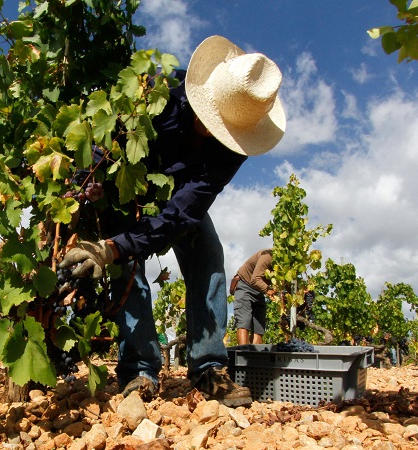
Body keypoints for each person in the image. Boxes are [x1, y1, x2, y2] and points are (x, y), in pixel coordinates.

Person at [59, 35, 286, 407]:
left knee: (208, 257)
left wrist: (114, 247)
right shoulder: (158, 92)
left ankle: (208, 367)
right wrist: (84, 186)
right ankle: (140, 371)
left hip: (177, 200)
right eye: (213, 120)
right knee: (127, 271)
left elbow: (184, 209)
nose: (215, 131)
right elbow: (103, 142)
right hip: (126, 188)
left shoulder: (236, 144)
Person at [232, 249, 275, 345]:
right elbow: (255, 280)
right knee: (244, 322)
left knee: (259, 328)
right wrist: (270, 291)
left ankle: (256, 354)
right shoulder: (268, 256)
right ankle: (243, 353)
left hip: (259, 290)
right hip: (245, 285)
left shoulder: (285, 266)